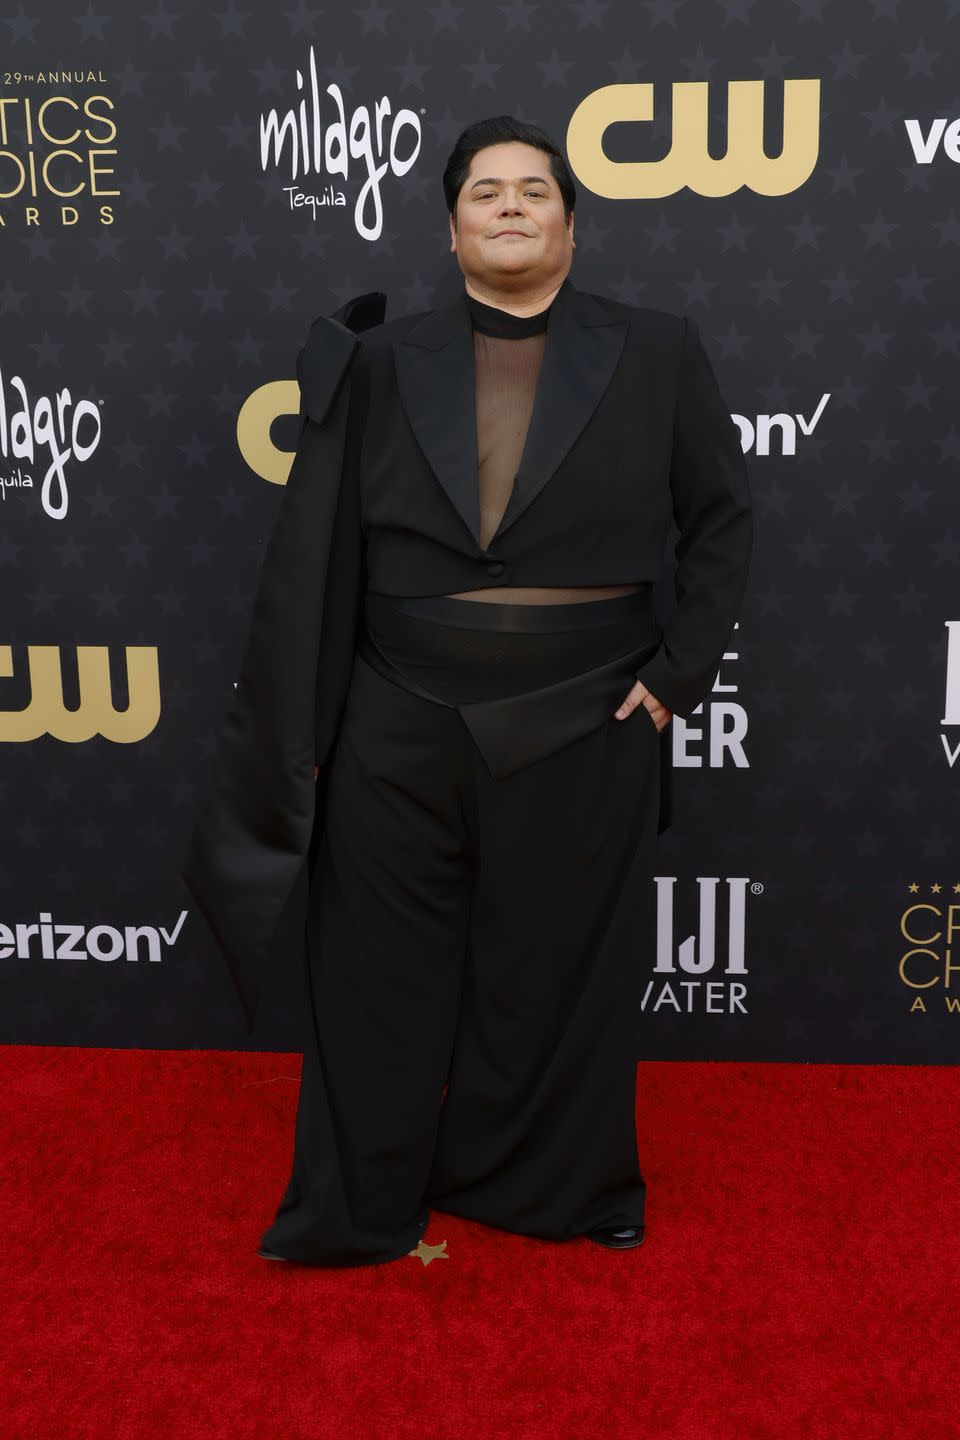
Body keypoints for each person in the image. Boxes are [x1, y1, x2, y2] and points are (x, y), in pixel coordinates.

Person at [182, 114, 753, 1266]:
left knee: (559, 974)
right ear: (450, 231)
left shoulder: (658, 350)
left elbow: (724, 521)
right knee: (370, 973)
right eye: (484, 191)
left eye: (534, 191)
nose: (509, 205)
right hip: (398, 712)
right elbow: (318, 547)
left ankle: (560, 1189)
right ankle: (359, 1209)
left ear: (572, 228)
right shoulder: (382, 361)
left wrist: (677, 678)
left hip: (589, 713)